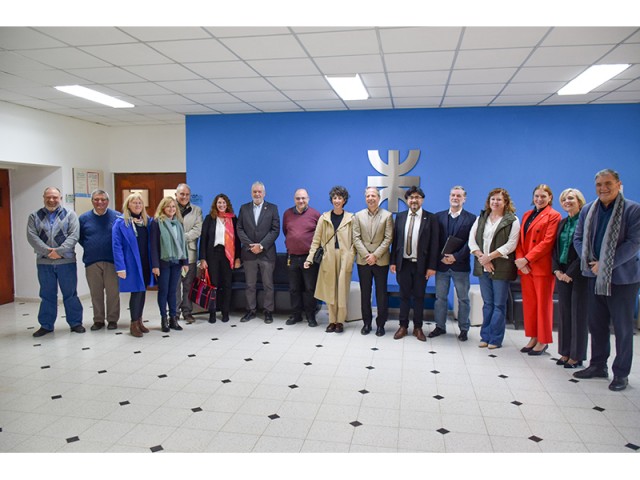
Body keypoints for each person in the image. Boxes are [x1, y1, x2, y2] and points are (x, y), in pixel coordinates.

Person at [573, 169, 640, 392]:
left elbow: (633, 243)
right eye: (599, 184)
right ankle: (598, 365)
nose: (603, 188)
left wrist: (606, 263)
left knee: (622, 328)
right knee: (597, 324)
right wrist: (590, 261)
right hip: (594, 276)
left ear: (618, 184)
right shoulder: (587, 210)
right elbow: (579, 238)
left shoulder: (633, 210)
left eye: (608, 183)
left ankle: (621, 374)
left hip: (622, 279)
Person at [27, 187, 84, 337]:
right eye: (49, 197)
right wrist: (48, 252)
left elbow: (74, 235)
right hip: (44, 262)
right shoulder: (34, 216)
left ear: (60, 198)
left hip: (66, 262)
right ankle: (46, 325)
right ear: (43, 197)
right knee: (47, 294)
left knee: (70, 294)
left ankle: (75, 323)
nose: (52, 200)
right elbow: (32, 236)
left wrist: (58, 252)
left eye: (55, 197)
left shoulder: (70, 215)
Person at [469, 188, 520, 349]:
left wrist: (489, 257)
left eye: (499, 199)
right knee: (488, 303)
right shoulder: (481, 218)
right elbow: (472, 241)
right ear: (488, 201)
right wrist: (483, 259)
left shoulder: (512, 220)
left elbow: (511, 245)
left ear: (505, 202)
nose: (495, 202)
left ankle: (495, 339)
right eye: (493, 199)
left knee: (499, 304)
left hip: (501, 266)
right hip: (483, 265)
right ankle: (485, 336)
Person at [515, 184, 561, 356]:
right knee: (530, 305)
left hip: (541, 267)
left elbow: (547, 243)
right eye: (537, 196)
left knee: (543, 306)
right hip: (525, 268)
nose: (539, 199)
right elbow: (520, 240)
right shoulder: (527, 214)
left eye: (543, 196)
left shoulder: (554, 216)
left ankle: (543, 340)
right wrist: (521, 261)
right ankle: (533, 336)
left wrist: (527, 259)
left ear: (550, 198)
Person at [390, 186, 439, 342]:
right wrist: (393, 262)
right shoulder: (400, 217)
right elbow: (395, 241)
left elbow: (434, 245)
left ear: (422, 199)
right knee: (404, 296)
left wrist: (432, 266)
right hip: (403, 264)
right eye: (411, 197)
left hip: (421, 266)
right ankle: (403, 326)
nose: (414, 200)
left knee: (419, 297)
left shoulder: (430, 218)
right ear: (407, 200)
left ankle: (418, 328)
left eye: (417, 197)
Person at [305, 186, 355, 333]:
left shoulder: (351, 218)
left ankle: (340, 321)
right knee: (330, 290)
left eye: (340, 198)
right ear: (331, 200)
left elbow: (355, 242)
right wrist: (309, 258)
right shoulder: (324, 217)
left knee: (342, 289)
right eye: (334, 198)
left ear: (344, 200)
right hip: (328, 257)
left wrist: (350, 258)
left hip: (344, 256)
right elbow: (316, 240)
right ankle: (331, 321)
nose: (337, 200)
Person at [432, 186, 476, 341]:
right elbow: (434, 241)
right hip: (442, 265)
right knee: (440, 298)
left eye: (459, 195)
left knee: (463, 299)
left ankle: (464, 329)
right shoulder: (438, 217)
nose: (455, 198)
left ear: (464, 198)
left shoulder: (472, 219)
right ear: (449, 197)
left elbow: (471, 242)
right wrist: (440, 257)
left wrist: (456, 257)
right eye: (453, 195)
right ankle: (439, 327)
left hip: (460, 265)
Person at [552, 188, 588, 369]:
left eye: (571, 198)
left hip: (579, 273)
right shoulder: (562, 222)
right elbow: (554, 248)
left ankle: (577, 355)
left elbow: (585, 250)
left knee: (578, 314)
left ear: (579, 201)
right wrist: (557, 270)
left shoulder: (586, 221)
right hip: (561, 271)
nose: (567, 201)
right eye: (564, 199)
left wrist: (570, 273)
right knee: (564, 314)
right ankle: (565, 352)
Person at [236, 181, 280, 324]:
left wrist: (261, 246)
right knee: (250, 285)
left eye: (259, 192)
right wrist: (250, 245)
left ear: (264, 193)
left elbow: (275, 230)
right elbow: (239, 229)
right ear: (251, 193)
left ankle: (268, 311)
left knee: (268, 285)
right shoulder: (244, 208)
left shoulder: (272, 208)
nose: (257, 194)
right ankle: (251, 311)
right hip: (249, 254)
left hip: (266, 254)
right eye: (255, 191)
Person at [112, 192, 155, 337]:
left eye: (139, 203)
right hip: (131, 264)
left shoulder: (147, 221)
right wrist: (120, 267)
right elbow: (116, 246)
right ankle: (133, 323)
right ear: (128, 205)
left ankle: (140, 321)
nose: (137, 205)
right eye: (134, 203)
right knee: (136, 292)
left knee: (142, 292)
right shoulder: (120, 223)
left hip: (145, 261)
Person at [353, 186, 393, 336]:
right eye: (368, 196)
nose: (371, 198)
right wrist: (366, 255)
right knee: (365, 294)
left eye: (373, 196)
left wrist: (375, 255)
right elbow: (356, 237)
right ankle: (367, 323)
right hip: (363, 261)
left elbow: (388, 238)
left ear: (378, 198)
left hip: (381, 260)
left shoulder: (387, 216)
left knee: (381, 294)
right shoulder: (358, 216)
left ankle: (381, 324)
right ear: (365, 198)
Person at [78, 189, 120, 331]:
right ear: (92, 201)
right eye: (96, 199)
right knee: (96, 293)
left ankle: (113, 319)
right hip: (92, 261)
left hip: (112, 261)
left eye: (103, 199)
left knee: (113, 293)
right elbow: (81, 238)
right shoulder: (83, 219)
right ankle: (98, 320)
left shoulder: (117, 217)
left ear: (108, 201)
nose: (100, 202)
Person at [199, 193, 241, 323]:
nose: (221, 205)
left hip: (228, 255)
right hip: (213, 254)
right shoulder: (209, 218)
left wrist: (238, 258)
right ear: (215, 205)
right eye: (219, 203)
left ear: (227, 204)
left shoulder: (233, 219)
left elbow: (238, 241)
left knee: (227, 284)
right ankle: (212, 312)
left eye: (223, 203)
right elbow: (203, 239)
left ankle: (225, 312)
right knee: (213, 284)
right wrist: (203, 258)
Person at [282, 188, 321, 327]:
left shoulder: (315, 214)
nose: (301, 201)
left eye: (303, 198)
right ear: (294, 199)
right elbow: (286, 232)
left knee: (310, 288)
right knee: (294, 288)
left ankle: (311, 315)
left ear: (308, 199)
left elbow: (320, 236)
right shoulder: (287, 214)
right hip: (292, 257)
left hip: (309, 259)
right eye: (298, 198)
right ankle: (296, 315)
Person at [151, 196, 189, 332]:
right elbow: (154, 245)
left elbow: (182, 244)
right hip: (163, 263)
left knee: (173, 291)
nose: (171, 209)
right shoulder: (157, 223)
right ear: (163, 208)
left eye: (173, 206)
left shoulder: (179, 223)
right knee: (164, 291)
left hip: (177, 262)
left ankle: (173, 318)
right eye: (168, 206)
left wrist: (185, 261)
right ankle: (164, 319)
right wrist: (155, 265)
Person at [175, 183, 202, 324]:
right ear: (176, 195)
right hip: (173, 254)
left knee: (188, 285)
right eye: (182, 194)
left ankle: (187, 312)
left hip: (190, 254)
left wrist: (180, 237)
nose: (184, 197)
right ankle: (174, 313)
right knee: (174, 286)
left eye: (187, 194)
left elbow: (197, 230)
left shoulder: (196, 210)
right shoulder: (170, 208)